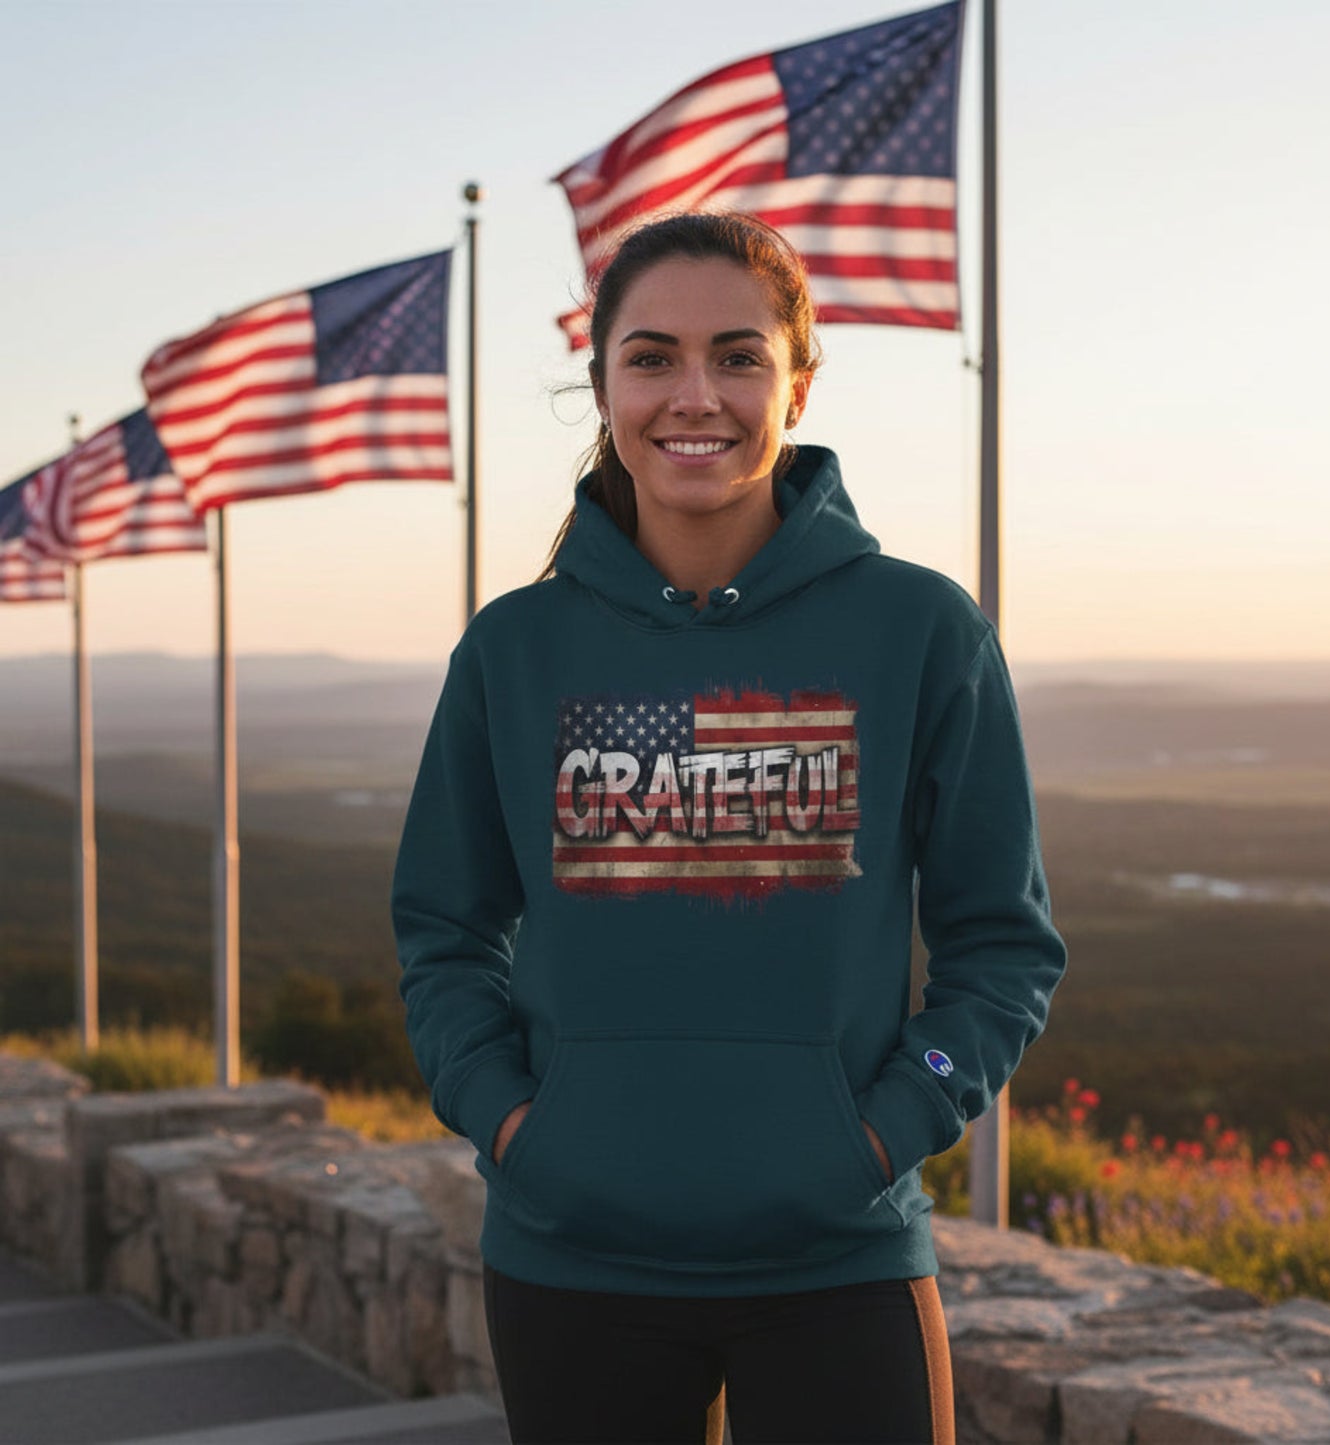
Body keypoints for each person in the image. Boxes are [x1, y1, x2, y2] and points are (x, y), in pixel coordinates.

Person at [392, 211, 1067, 1445]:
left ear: (795, 383)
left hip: (838, 1257)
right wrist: (510, 1120)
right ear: (599, 387)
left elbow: (1001, 947)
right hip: (571, 1261)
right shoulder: (513, 647)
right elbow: (443, 926)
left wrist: (881, 1131)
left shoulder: (920, 629)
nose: (691, 394)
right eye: (650, 356)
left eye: (736, 355)